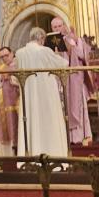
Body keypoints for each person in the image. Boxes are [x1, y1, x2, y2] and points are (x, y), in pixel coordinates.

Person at [14, 28, 69, 157]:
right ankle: (52, 154)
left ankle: (30, 155)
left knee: (30, 120)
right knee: (48, 122)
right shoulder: (45, 51)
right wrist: (57, 54)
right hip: (46, 93)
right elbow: (63, 64)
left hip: (28, 93)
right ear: (41, 39)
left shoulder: (20, 53)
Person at [50, 16, 92, 144]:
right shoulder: (52, 42)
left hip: (75, 79)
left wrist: (76, 41)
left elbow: (82, 55)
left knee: (78, 107)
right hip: (61, 80)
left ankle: (80, 137)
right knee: (63, 108)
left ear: (64, 25)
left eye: (60, 25)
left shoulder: (74, 38)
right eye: (55, 27)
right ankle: (65, 138)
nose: (58, 28)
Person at [0, 47, 21, 155]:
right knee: (6, 128)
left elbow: (22, 81)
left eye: (6, 55)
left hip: (17, 103)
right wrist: (0, 79)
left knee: (17, 126)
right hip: (3, 105)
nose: (4, 58)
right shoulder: (1, 68)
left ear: (12, 53)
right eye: (2, 57)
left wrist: (11, 77)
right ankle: (8, 156)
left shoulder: (19, 65)